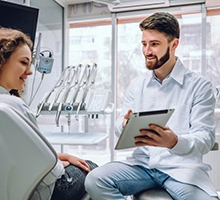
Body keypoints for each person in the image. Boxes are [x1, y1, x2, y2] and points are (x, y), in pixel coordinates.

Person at [85, 12, 219, 200]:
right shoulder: (137, 84)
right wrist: (124, 125)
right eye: (144, 44)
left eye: (154, 44)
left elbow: (205, 138)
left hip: (181, 169)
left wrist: (173, 142)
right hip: (143, 166)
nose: (147, 51)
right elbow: (118, 126)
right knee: (95, 180)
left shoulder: (199, 86)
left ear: (174, 45)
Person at [0, 27, 97, 200]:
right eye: (23, 62)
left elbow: (10, 156)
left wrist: (57, 157)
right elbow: (50, 174)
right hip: (41, 193)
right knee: (92, 168)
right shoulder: (13, 106)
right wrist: (58, 163)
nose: (30, 71)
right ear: (1, 61)